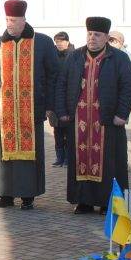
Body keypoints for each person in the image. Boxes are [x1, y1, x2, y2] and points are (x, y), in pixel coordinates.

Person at [0, 0, 59, 210]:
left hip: (32, 109)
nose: (9, 24)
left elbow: (54, 75)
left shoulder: (41, 43)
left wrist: (50, 105)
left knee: (30, 156)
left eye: (13, 20)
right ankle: (6, 195)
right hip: (5, 112)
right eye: (7, 19)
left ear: (23, 20)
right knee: (5, 157)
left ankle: (28, 196)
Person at [55, 17, 131, 214]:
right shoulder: (74, 57)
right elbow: (62, 84)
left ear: (106, 37)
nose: (92, 38)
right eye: (90, 34)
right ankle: (83, 201)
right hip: (79, 121)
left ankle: (108, 202)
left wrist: (122, 114)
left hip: (107, 121)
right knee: (81, 160)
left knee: (109, 163)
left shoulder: (119, 58)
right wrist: (62, 111)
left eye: (97, 35)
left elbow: (128, 87)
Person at [52, 31, 74, 167]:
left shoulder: (74, 55)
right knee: (57, 130)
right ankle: (59, 157)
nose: (59, 44)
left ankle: (68, 158)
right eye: (57, 42)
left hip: (68, 100)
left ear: (67, 41)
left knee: (68, 131)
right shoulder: (53, 55)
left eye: (61, 41)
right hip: (55, 99)